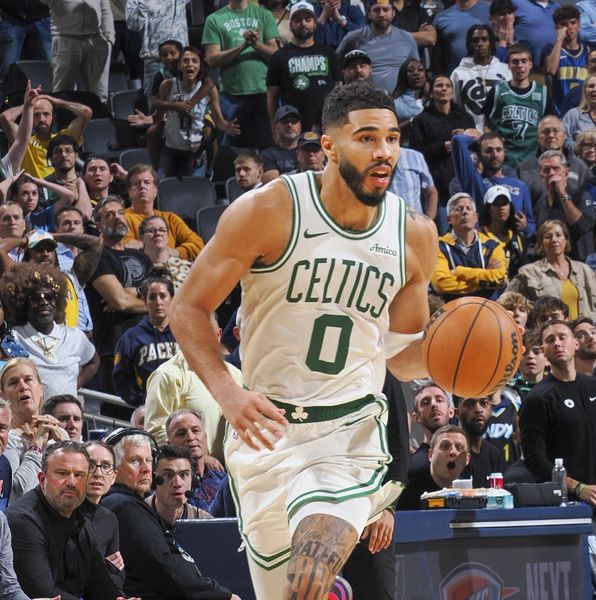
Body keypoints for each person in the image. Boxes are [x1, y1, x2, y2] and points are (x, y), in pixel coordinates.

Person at [169, 81, 438, 598]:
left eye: (392, 137)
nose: (384, 152)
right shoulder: (270, 209)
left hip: (351, 433)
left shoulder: (413, 235)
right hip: (267, 434)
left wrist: (464, 365)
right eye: (367, 138)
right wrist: (228, 393)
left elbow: (402, 358)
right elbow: (188, 308)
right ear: (330, 146)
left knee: (315, 564)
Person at [102, 431, 238, 600]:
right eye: (135, 461)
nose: (145, 469)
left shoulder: (123, 503)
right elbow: (162, 567)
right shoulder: (124, 506)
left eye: (148, 461)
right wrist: (220, 596)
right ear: (113, 467)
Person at [6, 441, 129, 599]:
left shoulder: (83, 522)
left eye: (79, 475)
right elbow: (44, 593)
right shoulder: (23, 521)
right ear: (42, 479)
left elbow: (99, 585)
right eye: (62, 473)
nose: (72, 483)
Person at [518, 319, 596, 507]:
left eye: (562, 337)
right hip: (566, 503)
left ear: (575, 343)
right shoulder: (537, 398)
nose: (557, 343)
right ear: (544, 350)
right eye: (550, 340)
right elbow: (535, 460)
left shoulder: (595, 386)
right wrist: (577, 487)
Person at [2, 263, 98, 398]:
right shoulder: (13, 338)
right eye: (36, 298)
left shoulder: (75, 336)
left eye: (49, 297)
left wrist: (71, 387)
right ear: (23, 303)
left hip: (66, 415)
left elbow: (93, 362)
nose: (44, 302)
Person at [144, 330, 243, 463]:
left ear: (218, 335)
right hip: (188, 472)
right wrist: (200, 457)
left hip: (232, 471)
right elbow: (155, 434)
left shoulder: (237, 375)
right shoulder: (167, 375)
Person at [86, 198, 151, 394]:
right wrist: (148, 300)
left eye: (121, 213)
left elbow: (165, 296)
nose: (118, 218)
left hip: (151, 344)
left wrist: (132, 292)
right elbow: (119, 302)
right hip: (115, 346)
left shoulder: (142, 256)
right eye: (109, 215)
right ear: (98, 224)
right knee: (120, 412)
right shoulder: (97, 256)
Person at [202, 0, 279, 149]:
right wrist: (243, 46)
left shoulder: (265, 15)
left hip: (264, 93)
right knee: (233, 150)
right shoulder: (214, 19)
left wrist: (256, 44)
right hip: (232, 96)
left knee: (268, 146)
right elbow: (211, 59)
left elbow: (275, 54)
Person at [154, 47, 239, 178]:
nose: (190, 64)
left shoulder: (209, 89)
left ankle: (209, 169)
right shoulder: (167, 85)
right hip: (171, 149)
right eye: (186, 61)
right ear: (179, 66)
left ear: (200, 66)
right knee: (161, 186)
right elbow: (159, 115)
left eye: (194, 61)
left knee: (196, 186)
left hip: (196, 152)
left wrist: (226, 126)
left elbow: (218, 121)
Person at [408, 75, 475, 230]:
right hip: (437, 187)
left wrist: (467, 137)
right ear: (431, 93)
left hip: (463, 184)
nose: (444, 88)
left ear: (452, 91)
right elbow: (415, 153)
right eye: (439, 85)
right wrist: (442, 147)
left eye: (447, 85)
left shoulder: (465, 118)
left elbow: (478, 147)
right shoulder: (421, 120)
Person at [267, 1, 342, 132]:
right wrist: (274, 127)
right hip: (292, 126)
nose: (303, 23)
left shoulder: (330, 54)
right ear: (290, 25)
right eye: (298, 20)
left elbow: (339, 90)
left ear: (315, 23)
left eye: (308, 19)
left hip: (327, 125)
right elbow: (272, 96)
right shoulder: (278, 57)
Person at [0, 359, 68, 502]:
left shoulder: (59, 434)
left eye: (28, 380)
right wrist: (37, 445)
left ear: (41, 389)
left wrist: (66, 447)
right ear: (3, 396)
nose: (23, 387)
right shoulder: (7, 438)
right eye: (13, 383)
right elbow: (16, 493)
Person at [509, 219, 596, 320]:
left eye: (558, 235)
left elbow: (594, 307)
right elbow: (507, 301)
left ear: (566, 240)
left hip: (581, 333)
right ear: (541, 244)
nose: (554, 240)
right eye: (548, 237)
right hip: (548, 333)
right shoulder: (528, 272)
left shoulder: (584, 270)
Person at [450, 131, 535, 238]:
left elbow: (532, 226)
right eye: (488, 150)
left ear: (504, 152)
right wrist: (478, 142)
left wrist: (526, 226)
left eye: (499, 150)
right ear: (479, 154)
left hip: (512, 248)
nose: (495, 155)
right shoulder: (473, 180)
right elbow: (457, 140)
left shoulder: (520, 186)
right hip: (483, 247)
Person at [113, 271, 178, 407]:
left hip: (184, 406)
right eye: (152, 297)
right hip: (149, 409)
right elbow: (121, 378)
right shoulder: (131, 337)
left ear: (172, 299)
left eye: (163, 296)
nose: (158, 302)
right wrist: (142, 401)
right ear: (145, 302)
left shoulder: (185, 334)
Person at [430, 192, 508, 301]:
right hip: (452, 311)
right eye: (458, 209)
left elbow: (500, 279)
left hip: (487, 310)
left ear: (476, 217)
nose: (464, 212)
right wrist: (486, 281)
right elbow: (441, 283)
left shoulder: (493, 246)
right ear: (449, 219)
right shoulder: (438, 246)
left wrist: (460, 272)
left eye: (468, 208)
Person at [120, 166, 205, 261]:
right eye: (137, 183)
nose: (142, 186)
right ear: (129, 191)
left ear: (155, 191)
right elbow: (123, 244)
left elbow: (198, 243)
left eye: (147, 182)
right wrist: (158, 250)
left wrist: (175, 252)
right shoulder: (122, 218)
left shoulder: (170, 218)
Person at [484, 44, 547, 168]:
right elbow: (486, 124)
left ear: (530, 64)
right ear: (508, 65)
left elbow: (549, 125)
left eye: (524, 61)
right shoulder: (497, 92)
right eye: (515, 62)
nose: (520, 66)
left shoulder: (543, 93)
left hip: (533, 159)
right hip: (504, 160)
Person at [0, 96, 92, 180]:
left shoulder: (64, 139)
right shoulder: (24, 142)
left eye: (46, 114)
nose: (42, 119)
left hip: (63, 189)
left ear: (54, 118)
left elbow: (86, 112)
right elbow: (5, 117)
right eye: (36, 115)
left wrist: (58, 102)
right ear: (30, 118)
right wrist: (28, 104)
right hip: (35, 194)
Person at [336, 0, 419, 93]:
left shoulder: (407, 38)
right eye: (376, 10)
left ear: (393, 13)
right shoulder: (353, 38)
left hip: (401, 101)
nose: (381, 14)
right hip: (364, 99)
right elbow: (334, 64)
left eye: (386, 10)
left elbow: (417, 72)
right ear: (369, 14)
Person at [531, 150, 596, 261]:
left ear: (566, 173)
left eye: (556, 168)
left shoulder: (581, 196)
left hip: (579, 265)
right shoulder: (540, 204)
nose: (551, 173)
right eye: (546, 170)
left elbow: (582, 227)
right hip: (551, 267)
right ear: (541, 177)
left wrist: (562, 194)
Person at [124, 0, 189, 106]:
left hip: (181, 62)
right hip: (156, 60)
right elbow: (132, 24)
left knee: (184, 108)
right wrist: (145, 5)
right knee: (156, 110)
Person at [450, 24, 511, 131]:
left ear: (491, 43)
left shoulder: (506, 70)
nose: (480, 44)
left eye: (484, 39)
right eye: (475, 40)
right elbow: (454, 106)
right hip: (471, 132)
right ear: (469, 44)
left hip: (503, 131)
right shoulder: (458, 73)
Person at [82, 441, 124, 591]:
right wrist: (106, 568)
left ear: (113, 477)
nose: (98, 473)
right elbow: (73, 577)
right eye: (91, 465)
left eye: (105, 466)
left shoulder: (110, 519)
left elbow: (119, 578)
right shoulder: (67, 513)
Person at [396, 425, 470, 510]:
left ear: (467, 459)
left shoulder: (468, 492)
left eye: (459, 447)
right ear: (430, 455)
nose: (452, 452)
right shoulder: (406, 485)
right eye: (445, 446)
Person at [165, 410, 225, 512]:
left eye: (195, 430)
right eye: (181, 433)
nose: (190, 437)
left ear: (205, 437)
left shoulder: (223, 479)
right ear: (169, 444)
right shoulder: (168, 488)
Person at [542, 6, 590, 118]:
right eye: (563, 24)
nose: (569, 27)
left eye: (573, 23)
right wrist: (559, 40)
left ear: (579, 25)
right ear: (556, 27)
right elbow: (551, 69)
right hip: (559, 112)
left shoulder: (588, 51)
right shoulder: (550, 48)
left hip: (583, 113)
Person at [145, 445, 212, 523]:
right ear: (153, 480)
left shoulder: (205, 522)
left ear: (193, 480)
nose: (177, 483)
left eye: (184, 475)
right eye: (168, 474)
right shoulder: (136, 515)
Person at [431, 0, 490, 74]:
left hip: (488, 76)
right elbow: (437, 58)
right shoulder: (441, 18)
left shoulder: (491, 11)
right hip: (455, 79)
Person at [408, 379, 454, 474]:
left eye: (439, 400)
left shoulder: (466, 458)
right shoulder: (412, 467)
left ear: (451, 412)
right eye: (426, 402)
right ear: (416, 417)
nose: (434, 404)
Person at [457, 396, 503, 487]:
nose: (478, 409)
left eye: (484, 403)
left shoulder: (493, 454)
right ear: (457, 412)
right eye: (469, 404)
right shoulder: (451, 453)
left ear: (491, 410)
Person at [138, 216, 192, 290]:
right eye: (151, 230)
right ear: (141, 237)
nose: (158, 233)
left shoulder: (187, 269)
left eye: (162, 230)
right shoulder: (134, 268)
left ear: (168, 237)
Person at [561, 75, 596, 142]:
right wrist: (578, 148)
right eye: (591, 86)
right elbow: (563, 139)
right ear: (584, 91)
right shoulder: (573, 115)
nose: (595, 89)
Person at [261, 105, 302, 182]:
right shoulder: (267, 155)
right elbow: (272, 183)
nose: (289, 125)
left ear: (300, 126)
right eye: (285, 122)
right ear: (276, 127)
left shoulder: (310, 149)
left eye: (294, 121)